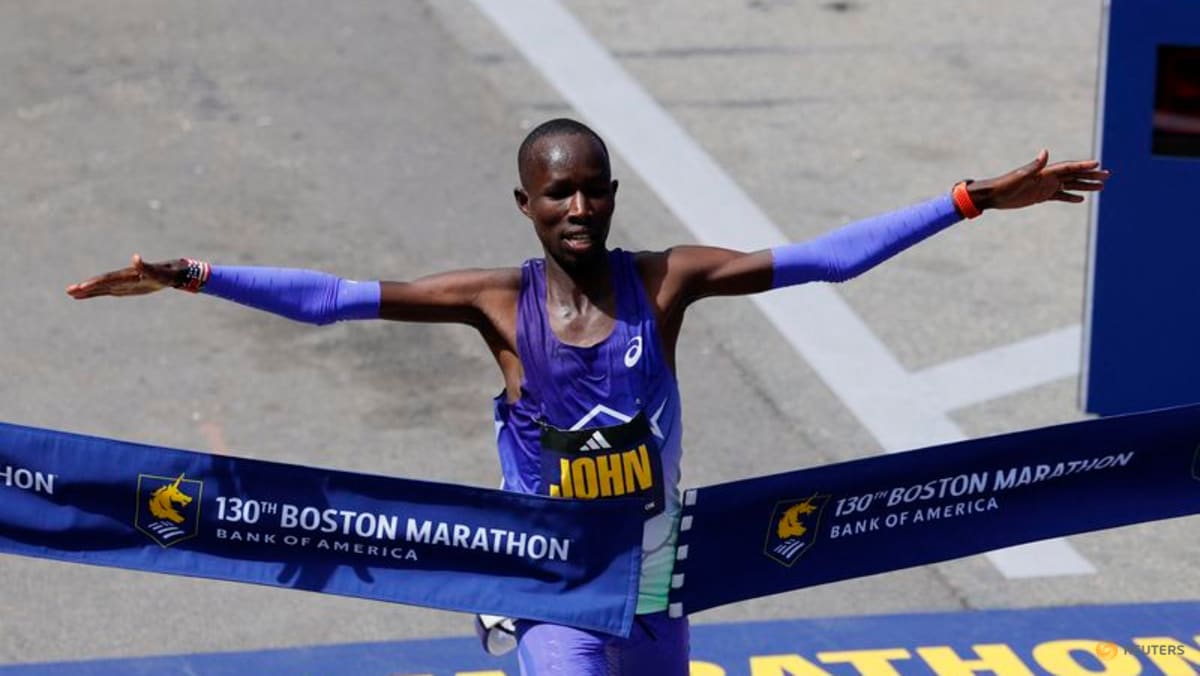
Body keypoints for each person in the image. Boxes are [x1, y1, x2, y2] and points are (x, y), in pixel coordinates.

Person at [66, 118, 1109, 675]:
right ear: (524, 203)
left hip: (656, 592)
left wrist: (970, 199)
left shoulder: (667, 282)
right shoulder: (492, 302)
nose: (579, 205)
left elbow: (825, 264)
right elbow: (334, 300)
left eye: (594, 185)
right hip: (554, 599)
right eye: (557, 190)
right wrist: (197, 274)